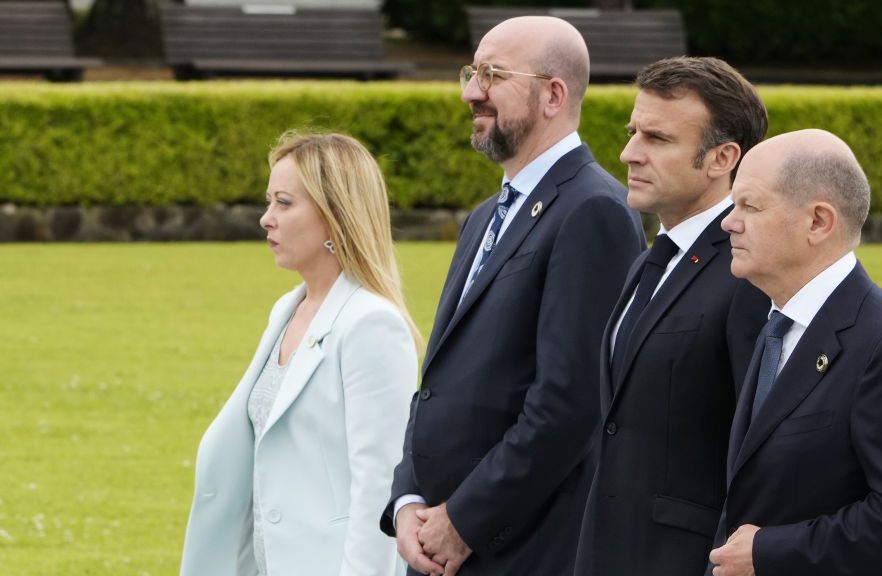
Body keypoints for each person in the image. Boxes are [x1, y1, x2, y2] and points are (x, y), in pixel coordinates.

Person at [380, 16, 645, 576]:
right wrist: (408, 500)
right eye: (472, 72)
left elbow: (570, 403)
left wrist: (465, 522)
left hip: (518, 550)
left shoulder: (594, 210)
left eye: (492, 74)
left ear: (553, 95)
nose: (470, 92)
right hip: (435, 541)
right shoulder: (484, 217)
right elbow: (441, 381)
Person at [708, 129, 882, 576]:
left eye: (750, 205)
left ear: (819, 222)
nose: (729, 221)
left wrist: (771, 552)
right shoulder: (774, 326)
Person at [181, 132, 419, 576]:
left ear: (335, 215)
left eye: (284, 203)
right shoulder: (286, 310)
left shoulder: (371, 325)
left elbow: (379, 490)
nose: (266, 219)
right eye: (268, 202)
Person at [573, 56, 770, 576]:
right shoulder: (653, 258)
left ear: (722, 157)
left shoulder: (750, 273)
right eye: (632, 131)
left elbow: (761, 451)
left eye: (657, 140)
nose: (628, 153)